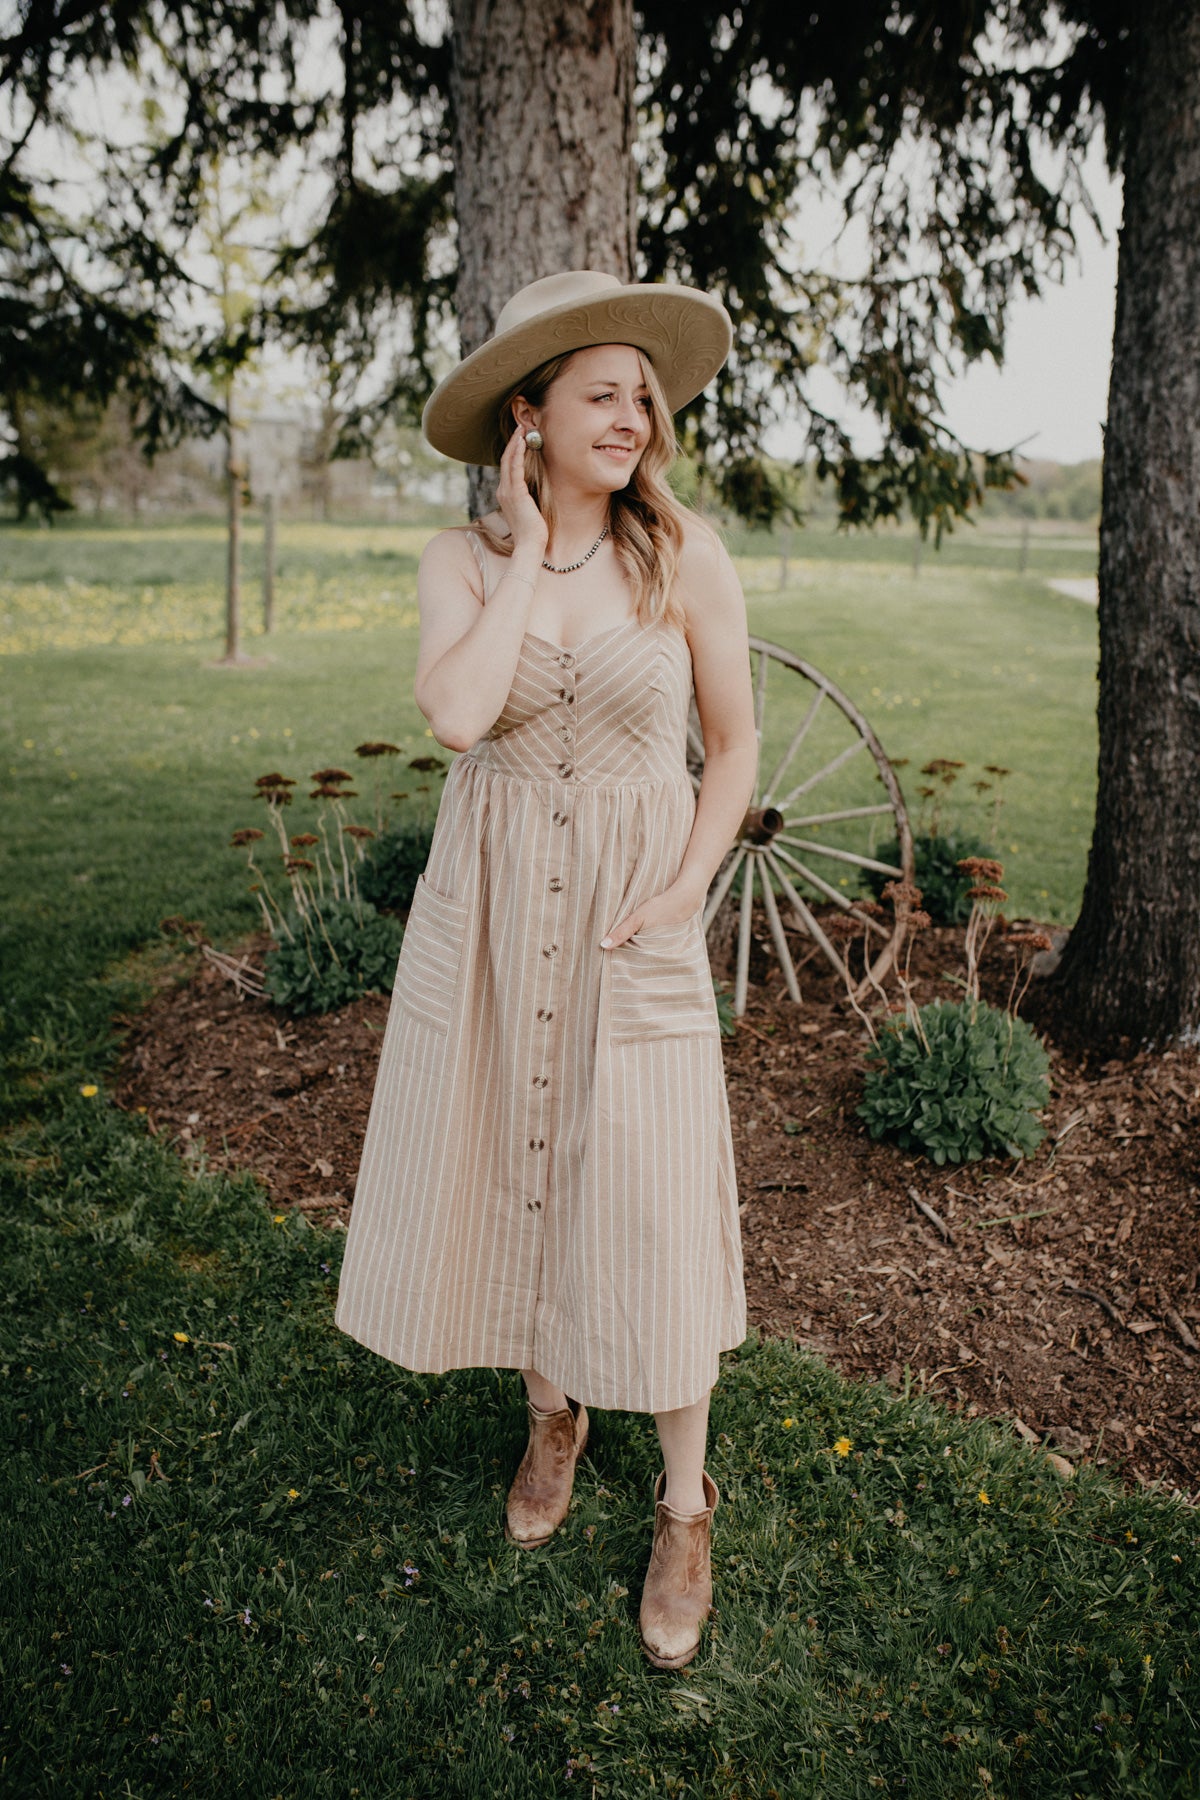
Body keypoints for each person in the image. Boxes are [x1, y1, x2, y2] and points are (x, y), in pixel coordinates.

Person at [334, 269, 758, 1670]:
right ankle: (552, 1412)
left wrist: (687, 885)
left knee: (649, 1188)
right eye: (604, 395)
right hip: (500, 907)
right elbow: (459, 716)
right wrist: (521, 548)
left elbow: (734, 748)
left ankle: (686, 1505)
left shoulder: (684, 553)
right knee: (519, 1156)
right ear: (530, 417)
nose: (634, 418)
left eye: (647, 397)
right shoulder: (458, 564)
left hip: (637, 910)